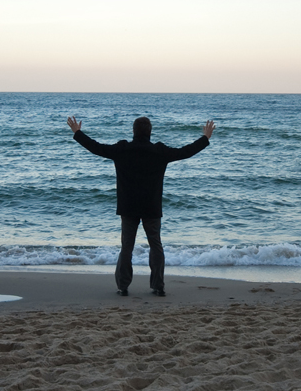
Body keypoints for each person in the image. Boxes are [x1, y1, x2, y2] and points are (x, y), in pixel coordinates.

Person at [67, 115, 215, 297]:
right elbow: (185, 152)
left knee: (127, 246)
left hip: (128, 207)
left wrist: (77, 132)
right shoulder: (159, 152)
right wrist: (205, 138)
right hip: (151, 206)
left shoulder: (122, 150)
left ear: (133, 131)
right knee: (156, 245)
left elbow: (96, 147)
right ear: (150, 132)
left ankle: (123, 287)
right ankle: (158, 286)